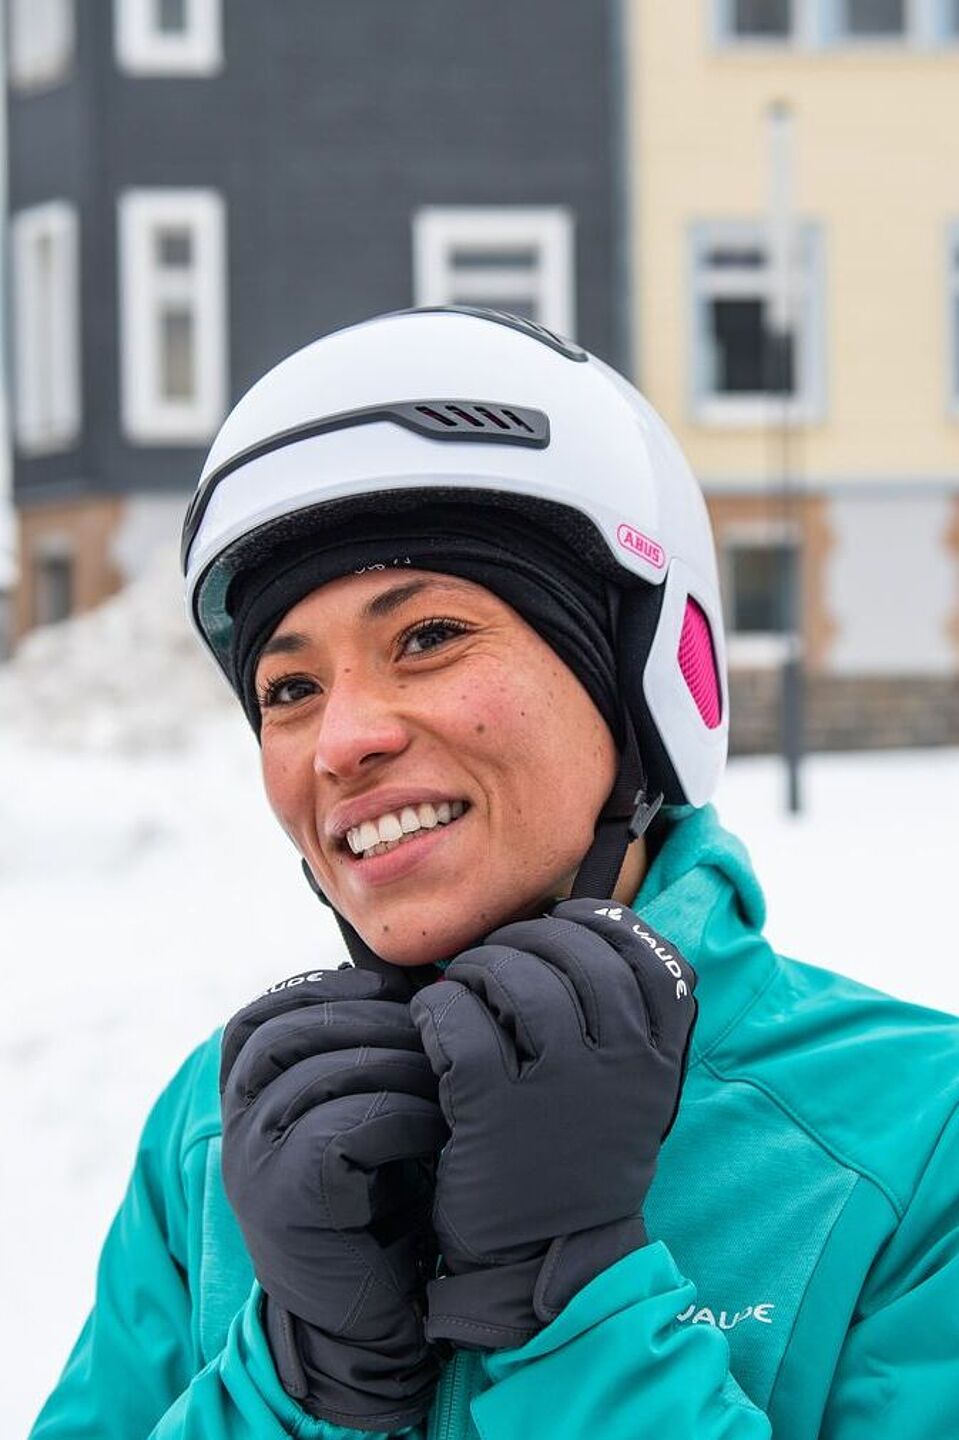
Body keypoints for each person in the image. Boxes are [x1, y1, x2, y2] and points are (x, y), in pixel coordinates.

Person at [31, 307, 959, 1440]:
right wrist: (295, 1389)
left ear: (640, 684)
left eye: (425, 636)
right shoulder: (221, 1137)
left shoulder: (917, 1143)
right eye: (288, 690)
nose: (341, 741)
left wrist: (572, 1309)